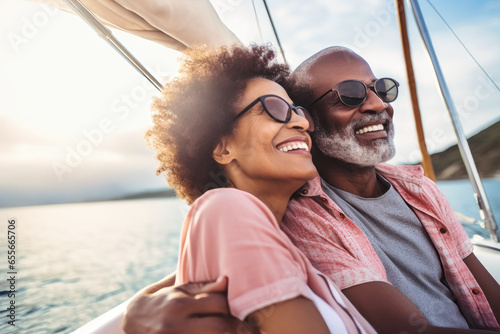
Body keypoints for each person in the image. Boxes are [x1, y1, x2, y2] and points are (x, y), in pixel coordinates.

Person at [123, 46, 500, 334]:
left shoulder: (416, 187)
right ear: (221, 146)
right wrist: (136, 313)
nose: (377, 103)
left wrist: (136, 308)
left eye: (381, 89)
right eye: (349, 94)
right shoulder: (275, 212)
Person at [122, 43, 376, 334]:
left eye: (297, 111)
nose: (299, 122)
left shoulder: (272, 235)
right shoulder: (227, 207)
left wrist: (138, 304)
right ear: (222, 147)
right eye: (274, 109)